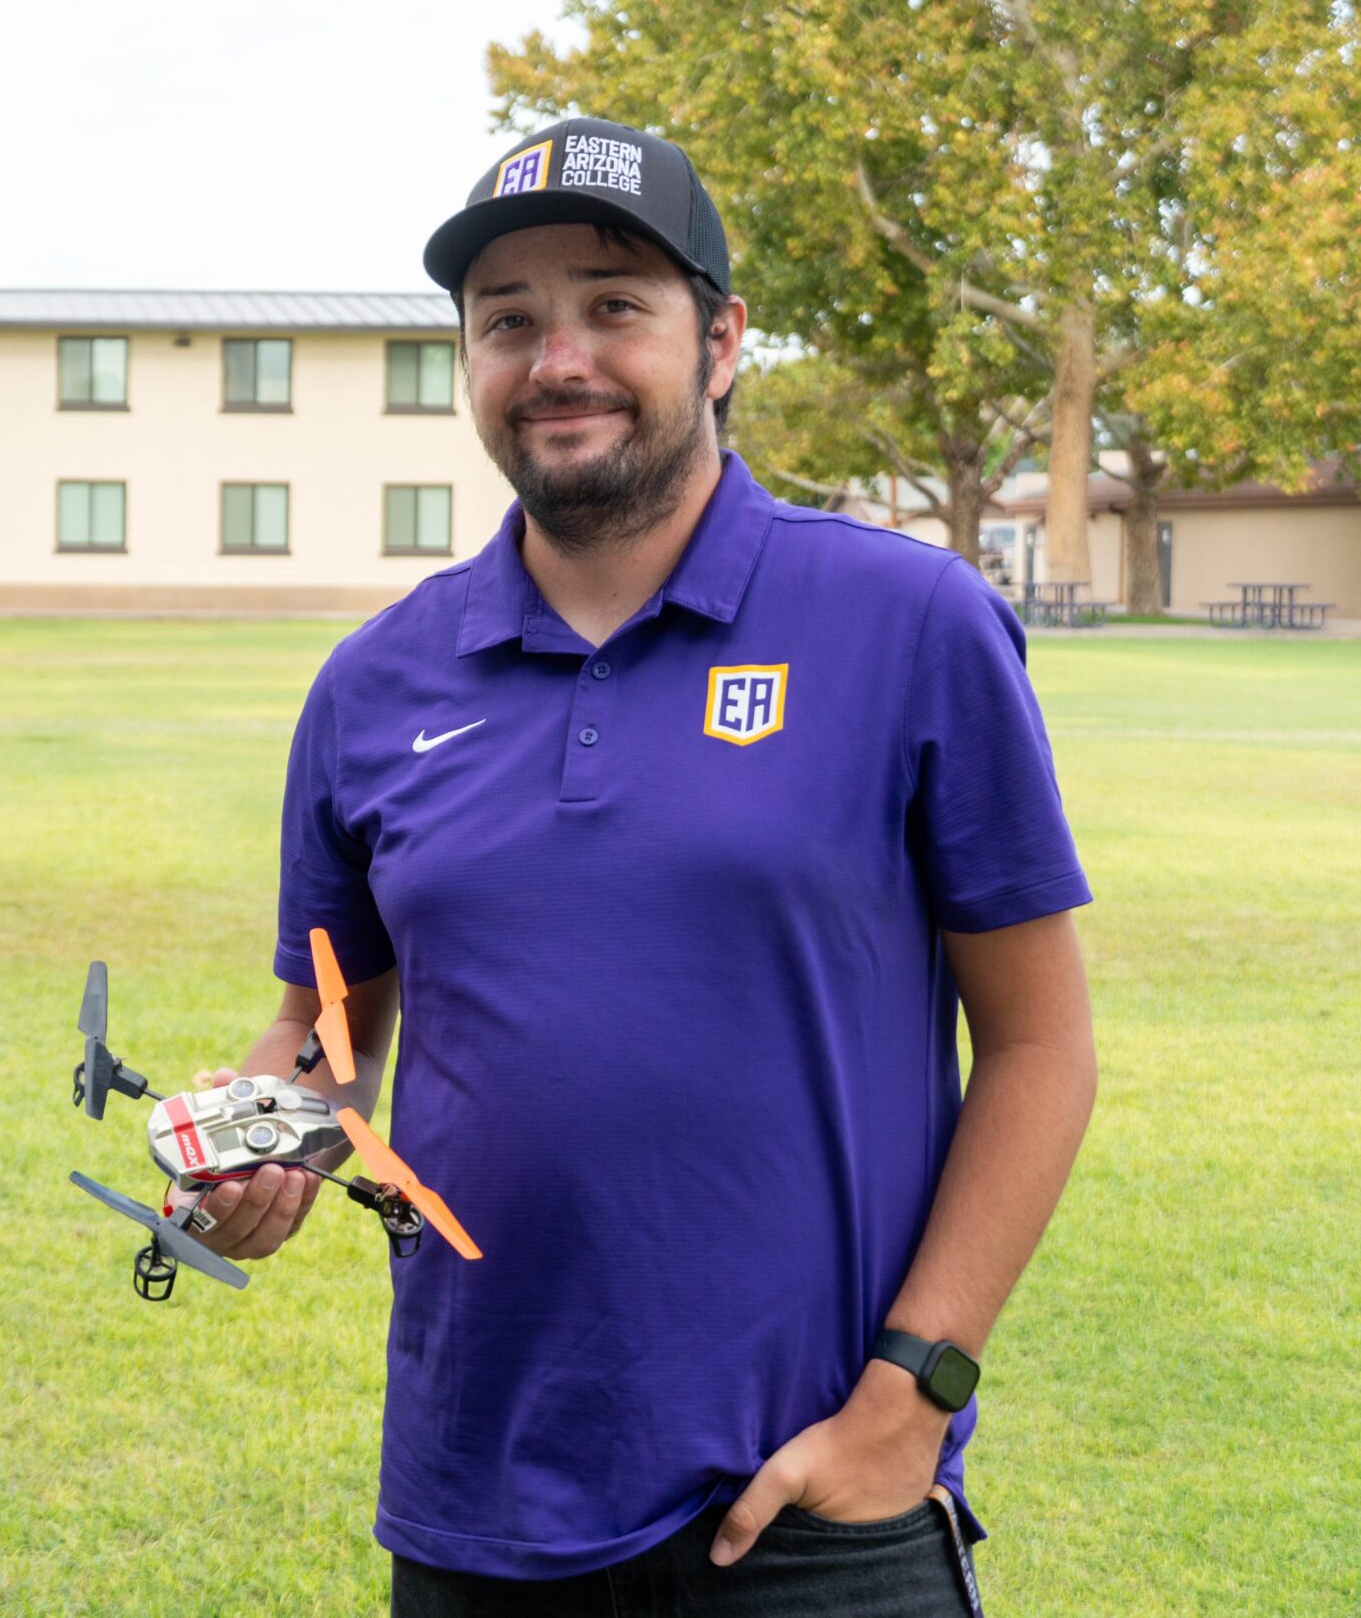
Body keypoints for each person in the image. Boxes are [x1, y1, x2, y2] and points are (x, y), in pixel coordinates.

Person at [190, 118, 1095, 1617]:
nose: (558, 359)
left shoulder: (909, 621)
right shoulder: (374, 682)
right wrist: (267, 1132)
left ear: (720, 342)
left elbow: (1040, 1044)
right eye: (508, 321)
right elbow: (329, 1018)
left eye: (613, 305)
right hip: (478, 1497)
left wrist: (912, 1396)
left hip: (814, 1503)